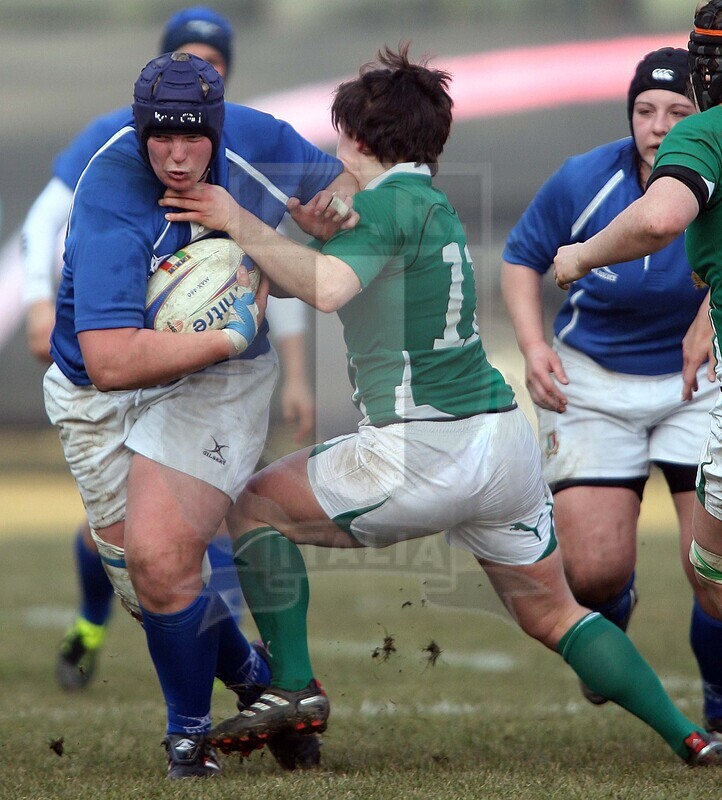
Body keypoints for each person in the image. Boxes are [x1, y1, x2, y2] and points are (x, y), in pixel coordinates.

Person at [158, 43, 722, 768]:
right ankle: (692, 739)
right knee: (555, 613)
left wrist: (238, 218)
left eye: (342, 135)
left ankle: (293, 690)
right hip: (500, 442)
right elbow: (326, 274)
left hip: (420, 447)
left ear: (359, 139)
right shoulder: (424, 201)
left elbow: (327, 288)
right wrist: (303, 233)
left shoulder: (387, 204)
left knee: (252, 508)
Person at [43, 50, 355, 779]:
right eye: (160, 138)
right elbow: (114, 361)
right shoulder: (111, 196)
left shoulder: (262, 139)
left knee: (160, 555)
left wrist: (299, 220)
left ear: (218, 128)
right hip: (101, 390)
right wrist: (228, 329)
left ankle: (188, 739)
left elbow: (341, 201)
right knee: (148, 587)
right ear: (139, 129)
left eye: (193, 139)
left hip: (221, 380)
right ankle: (258, 686)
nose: (177, 156)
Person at [21, 6, 315, 692]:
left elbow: (254, 276)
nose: (199, 79)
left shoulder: (246, 146)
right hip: (114, 363)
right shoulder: (113, 142)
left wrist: (293, 368)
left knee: (180, 539)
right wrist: (42, 305)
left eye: (213, 69)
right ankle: (99, 624)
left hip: (199, 375)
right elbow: (45, 221)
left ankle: (235, 690)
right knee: (127, 554)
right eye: (188, 61)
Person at [501, 46, 722, 720]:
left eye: (676, 111)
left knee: (706, 563)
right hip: (593, 381)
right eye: (644, 110)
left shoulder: (712, 160)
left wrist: (708, 318)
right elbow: (520, 258)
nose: (658, 124)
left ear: (700, 114)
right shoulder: (584, 178)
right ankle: (610, 613)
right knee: (593, 569)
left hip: (697, 383)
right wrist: (535, 348)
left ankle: (717, 698)